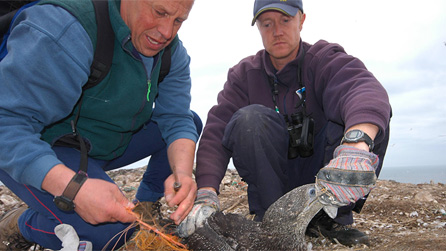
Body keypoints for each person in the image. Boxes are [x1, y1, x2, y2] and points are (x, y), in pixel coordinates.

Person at [178, 0, 391, 247]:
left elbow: (361, 87)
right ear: (257, 27)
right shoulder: (243, 75)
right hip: (274, 185)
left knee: (367, 117)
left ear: (301, 20)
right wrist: (206, 192)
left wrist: (356, 143)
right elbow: (216, 131)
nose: (276, 31)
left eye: (285, 20)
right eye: (267, 24)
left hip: (325, 180)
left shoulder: (323, 59)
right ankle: (270, 221)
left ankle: (330, 218)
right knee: (249, 119)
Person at [0, 0, 200, 250]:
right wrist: (74, 188)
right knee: (109, 234)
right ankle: (21, 223)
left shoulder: (172, 52)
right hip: (42, 146)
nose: (167, 32)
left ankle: (146, 209)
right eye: (159, 13)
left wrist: (182, 173)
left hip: (104, 143)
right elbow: (6, 124)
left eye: (178, 20)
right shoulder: (65, 28)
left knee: (189, 123)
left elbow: (177, 118)